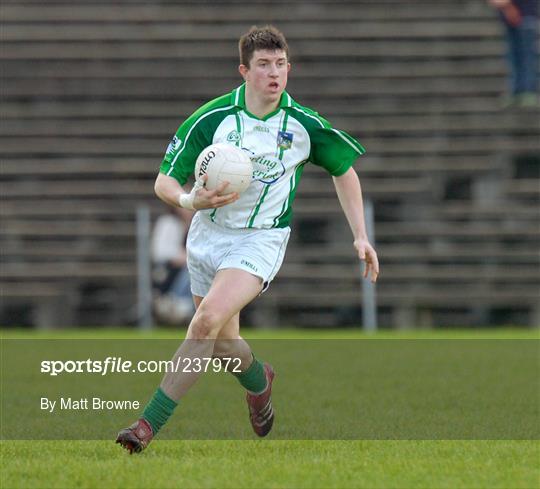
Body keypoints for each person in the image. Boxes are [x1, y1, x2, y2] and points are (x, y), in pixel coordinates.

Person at [116, 25, 379, 454]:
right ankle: (259, 381)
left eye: (280, 65)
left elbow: (344, 171)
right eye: (263, 65)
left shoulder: (302, 124)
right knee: (222, 344)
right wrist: (189, 199)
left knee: (202, 322)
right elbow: (164, 181)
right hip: (207, 237)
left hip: (261, 239)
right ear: (244, 70)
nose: (274, 74)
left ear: (289, 68)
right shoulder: (212, 118)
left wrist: (361, 236)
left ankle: (146, 426)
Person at [488, 0, 539, 107]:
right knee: (514, 57)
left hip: (525, 14)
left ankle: (528, 90)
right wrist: (506, 7)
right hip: (509, 16)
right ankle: (516, 89)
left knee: (526, 55)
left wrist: (507, 6)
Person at [151, 205, 194, 323]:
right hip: (168, 269)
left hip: (188, 266)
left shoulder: (198, 224)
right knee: (191, 268)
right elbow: (159, 251)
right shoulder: (167, 223)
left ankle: (181, 304)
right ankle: (178, 300)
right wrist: (181, 256)